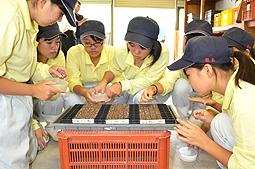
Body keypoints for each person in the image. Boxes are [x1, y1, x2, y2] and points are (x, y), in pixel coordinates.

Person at [0, 0, 77, 168]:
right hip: (5, 103)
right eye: (61, 13)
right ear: (44, 2)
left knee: (21, 159)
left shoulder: (30, 22)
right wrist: (33, 90)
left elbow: (22, 66)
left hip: (17, 101)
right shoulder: (8, 16)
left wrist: (47, 71)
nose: (58, 20)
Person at [168, 36, 255, 169]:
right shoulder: (237, 85)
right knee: (219, 121)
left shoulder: (244, 100)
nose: (188, 82)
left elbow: (246, 166)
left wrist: (203, 141)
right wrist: (213, 110)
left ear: (207, 70)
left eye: (188, 75)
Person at [139, 20, 213, 118]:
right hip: (188, 102)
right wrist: (154, 88)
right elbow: (168, 80)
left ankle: (195, 122)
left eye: (201, 42)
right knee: (181, 85)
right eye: (191, 41)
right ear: (184, 41)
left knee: (203, 122)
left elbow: (220, 99)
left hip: (207, 106)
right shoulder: (182, 63)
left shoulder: (215, 63)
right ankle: (184, 119)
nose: (195, 46)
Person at [93, 16, 169, 103]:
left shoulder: (162, 52)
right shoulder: (121, 52)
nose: (136, 52)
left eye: (142, 47)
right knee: (115, 101)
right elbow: (113, 70)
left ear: (153, 46)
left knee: (140, 100)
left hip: (155, 88)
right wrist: (104, 82)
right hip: (132, 84)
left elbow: (149, 80)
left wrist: (122, 85)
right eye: (131, 45)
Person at [66, 20, 121, 104]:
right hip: (83, 88)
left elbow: (119, 77)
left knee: (122, 96)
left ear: (104, 41)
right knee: (71, 99)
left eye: (97, 43)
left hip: (107, 88)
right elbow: (72, 80)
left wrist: (109, 89)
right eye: (88, 43)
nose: (93, 48)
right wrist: (84, 93)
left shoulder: (113, 52)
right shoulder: (74, 52)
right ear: (81, 41)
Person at [34, 23, 73, 122]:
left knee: (57, 100)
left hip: (49, 98)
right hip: (29, 97)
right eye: (49, 42)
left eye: (57, 42)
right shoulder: (29, 57)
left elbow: (58, 83)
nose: (54, 47)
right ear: (36, 42)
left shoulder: (59, 55)